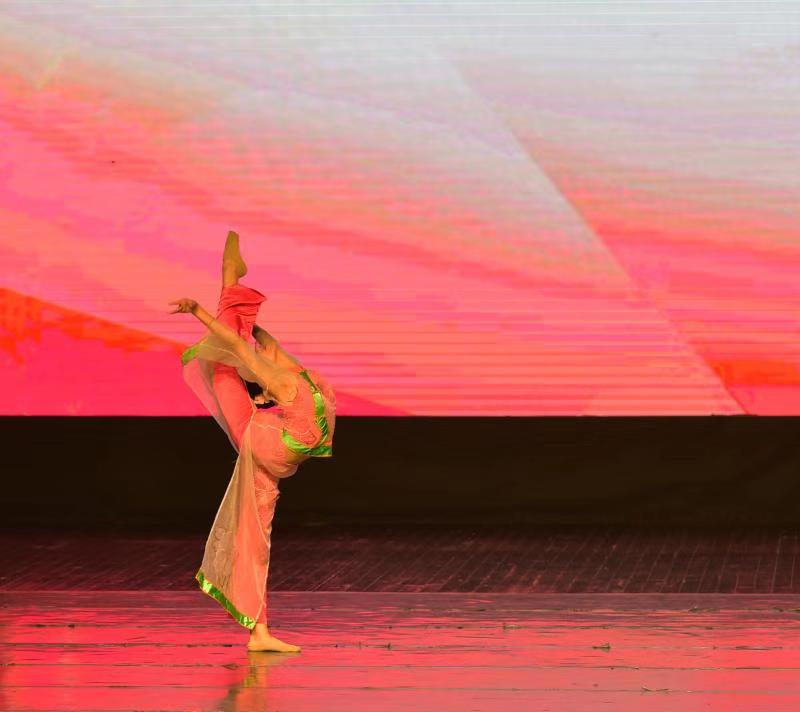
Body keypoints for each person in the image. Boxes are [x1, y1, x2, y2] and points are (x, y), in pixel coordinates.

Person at [169, 230, 336, 652]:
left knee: (256, 536)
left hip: (271, 448)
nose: (266, 352)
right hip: (260, 440)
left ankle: (258, 632)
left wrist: (249, 326)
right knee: (224, 359)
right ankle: (229, 279)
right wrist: (198, 311)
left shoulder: (293, 370)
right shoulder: (281, 378)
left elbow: (263, 342)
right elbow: (235, 345)